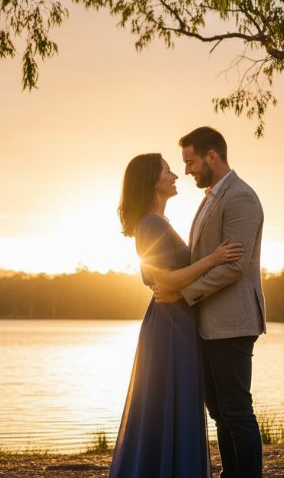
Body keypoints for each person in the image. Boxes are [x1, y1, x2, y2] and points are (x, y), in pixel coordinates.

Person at [110, 152, 244, 478]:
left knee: (174, 403)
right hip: (170, 326)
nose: (175, 176)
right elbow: (164, 280)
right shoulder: (151, 223)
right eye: (168, 170)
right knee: (173, 402)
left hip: (176, 321)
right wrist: (213, 259)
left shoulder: (158, 222)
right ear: (152, 180)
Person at [155, 126, 266, 478]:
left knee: (236, 409)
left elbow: (233, 266)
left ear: (212, 157)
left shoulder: (241, 198)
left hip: (233, 322)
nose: (187, 170)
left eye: (191, 162)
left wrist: (182, 293)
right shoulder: (211, 197)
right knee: (219, 409)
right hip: (209, 323)